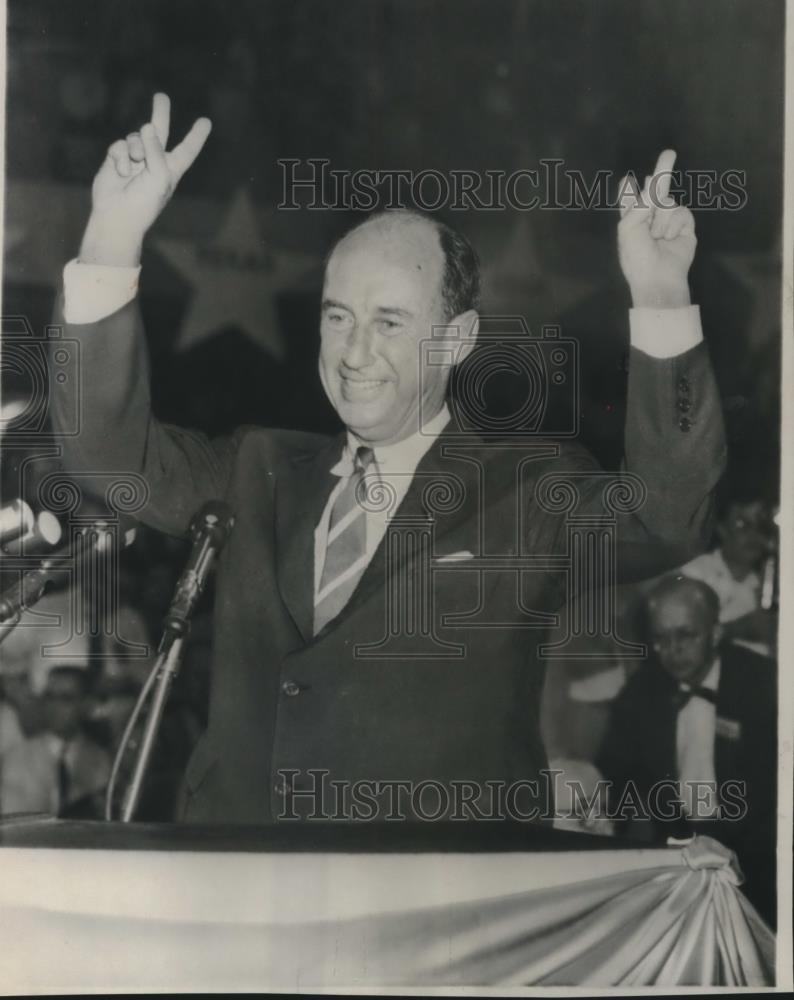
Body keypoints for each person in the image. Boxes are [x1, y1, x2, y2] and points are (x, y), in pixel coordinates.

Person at [51, 92, 725, 824]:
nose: (354, 352)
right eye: (337, 317)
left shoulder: (528, 489)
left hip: (430, 910)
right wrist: (111, 238)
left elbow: (668, 517)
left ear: (458, 339)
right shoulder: (256, 468)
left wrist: (661, 296)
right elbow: (104, 453)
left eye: (390, 322)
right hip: (241, 894)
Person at [597, 576, 776, 922]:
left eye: (685, 635)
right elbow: (615, 779)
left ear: (715, 632)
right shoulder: (642, 691)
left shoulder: (765, 684)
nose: (673, 650)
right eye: (661, 639)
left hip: (760, 856)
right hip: (678, 856)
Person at [0, 666, 111, 818]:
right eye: (49, 696)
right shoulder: (18, 758)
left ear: (86, 704)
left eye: (66, 698)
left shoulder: (101, 760)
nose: (54, 706)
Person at [679, 494, 777, 656]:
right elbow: (681, 640)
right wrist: (738, 629)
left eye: (760, 526)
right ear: (722, 529)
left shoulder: (770, 584)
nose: (753, 535)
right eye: (742, 524)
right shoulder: (696, 573)